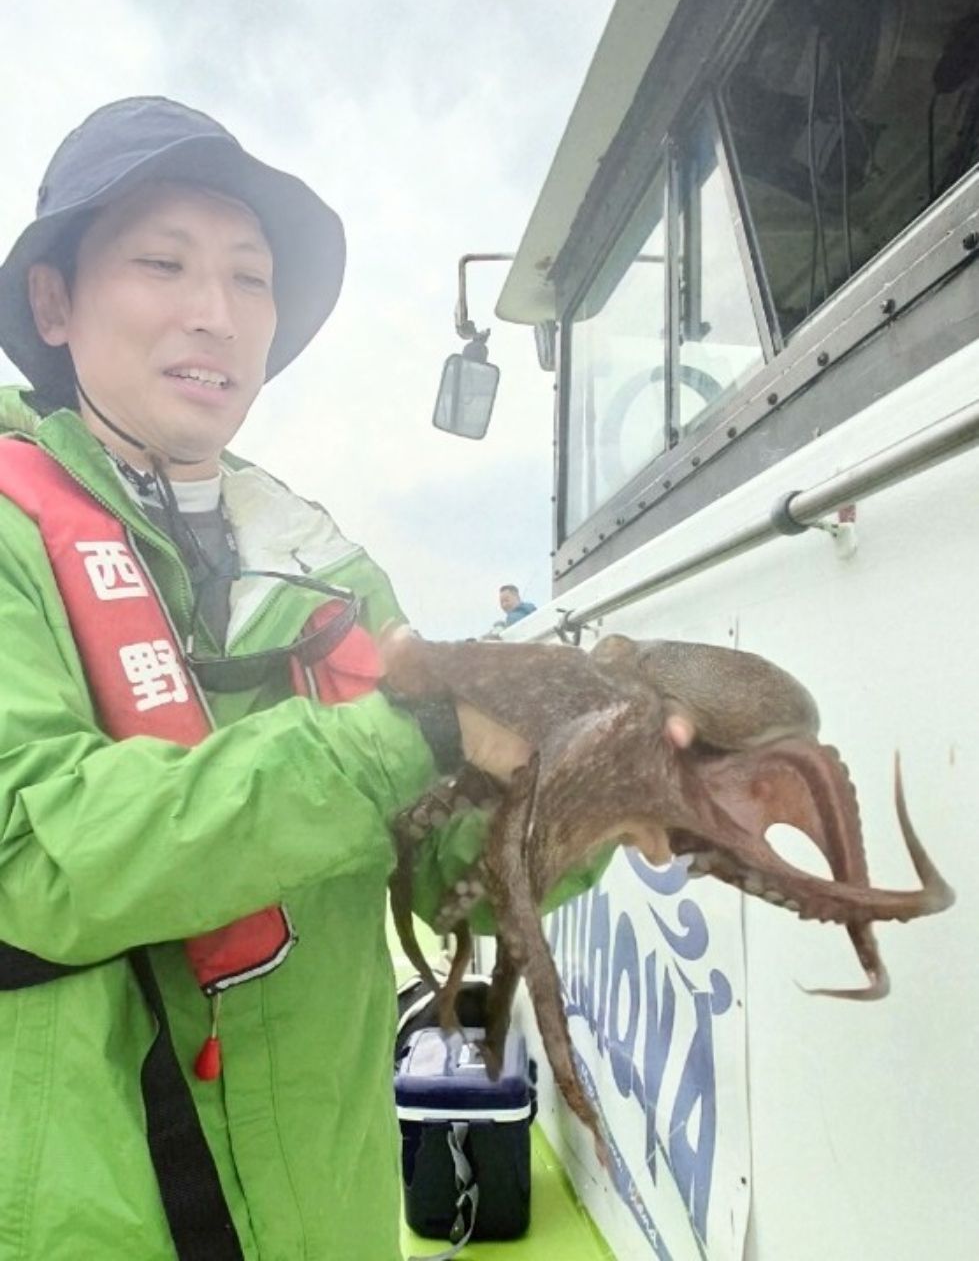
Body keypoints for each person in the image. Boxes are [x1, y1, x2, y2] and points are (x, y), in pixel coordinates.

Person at [0, 98, 598, 1261]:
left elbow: (447, 879)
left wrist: (599, 795)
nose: (215, 314)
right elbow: (30, 849)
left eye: (251, 278)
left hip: (333, 1210)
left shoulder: (326, 566)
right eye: (162, 262)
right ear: (54, 302)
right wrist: (412, 725)